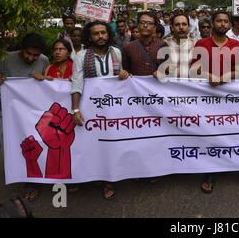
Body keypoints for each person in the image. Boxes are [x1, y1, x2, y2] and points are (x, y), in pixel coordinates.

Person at [71, 20, 130, 199]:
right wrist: (75, 109)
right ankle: (87, 176)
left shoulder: (116, 52)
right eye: (96, 33)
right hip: (90, 109)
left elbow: (121, 77)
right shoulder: (81, 56)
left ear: (108, 34)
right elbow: (77, 82)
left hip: (112, 110)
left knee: (109, 145)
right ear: (89, 36)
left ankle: (108, 179)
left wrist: (124, 74)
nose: (100, 36)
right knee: (89, 145)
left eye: (103, 33)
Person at [0, 33, 50, 201]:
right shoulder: (5, 59)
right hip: (7, 108)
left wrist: (44, 79)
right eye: (28, 53)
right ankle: (12, 158)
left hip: (30, 111)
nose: (31, 58)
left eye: (35, 55)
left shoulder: (44, 61)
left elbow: (50, 81)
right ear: (21, 49)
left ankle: (26, 176)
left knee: (19, 141)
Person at [192, 11, 239, 194]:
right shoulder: (201, 44)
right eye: (219, 21)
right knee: (211, 133)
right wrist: (209, 77)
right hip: (208, 99)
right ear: (212, 24)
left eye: (225, 21)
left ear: (229, 25)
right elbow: (193, 69)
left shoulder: (235, 44)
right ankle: (211, 172)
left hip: (231, 97)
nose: (222, 24)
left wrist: (223, 78)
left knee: (234, 132)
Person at [122, 11, 167, 77]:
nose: (145, 25)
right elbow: (126, 70)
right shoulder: (129, 47)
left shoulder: (162, 45)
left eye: (150, 23)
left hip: (157, 86)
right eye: (142, 22)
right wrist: (125, 74)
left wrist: (163, 72)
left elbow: (169, 69)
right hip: (136, 86)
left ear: (154, 27)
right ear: (138, 25)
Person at [161, 13, 195, 79]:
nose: (181, 27)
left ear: (189, 27)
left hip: (189, 86)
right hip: (169, 86)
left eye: (184, 24)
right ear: (172, 28)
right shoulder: (164, 44)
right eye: (177, 25)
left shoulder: (195, 44)